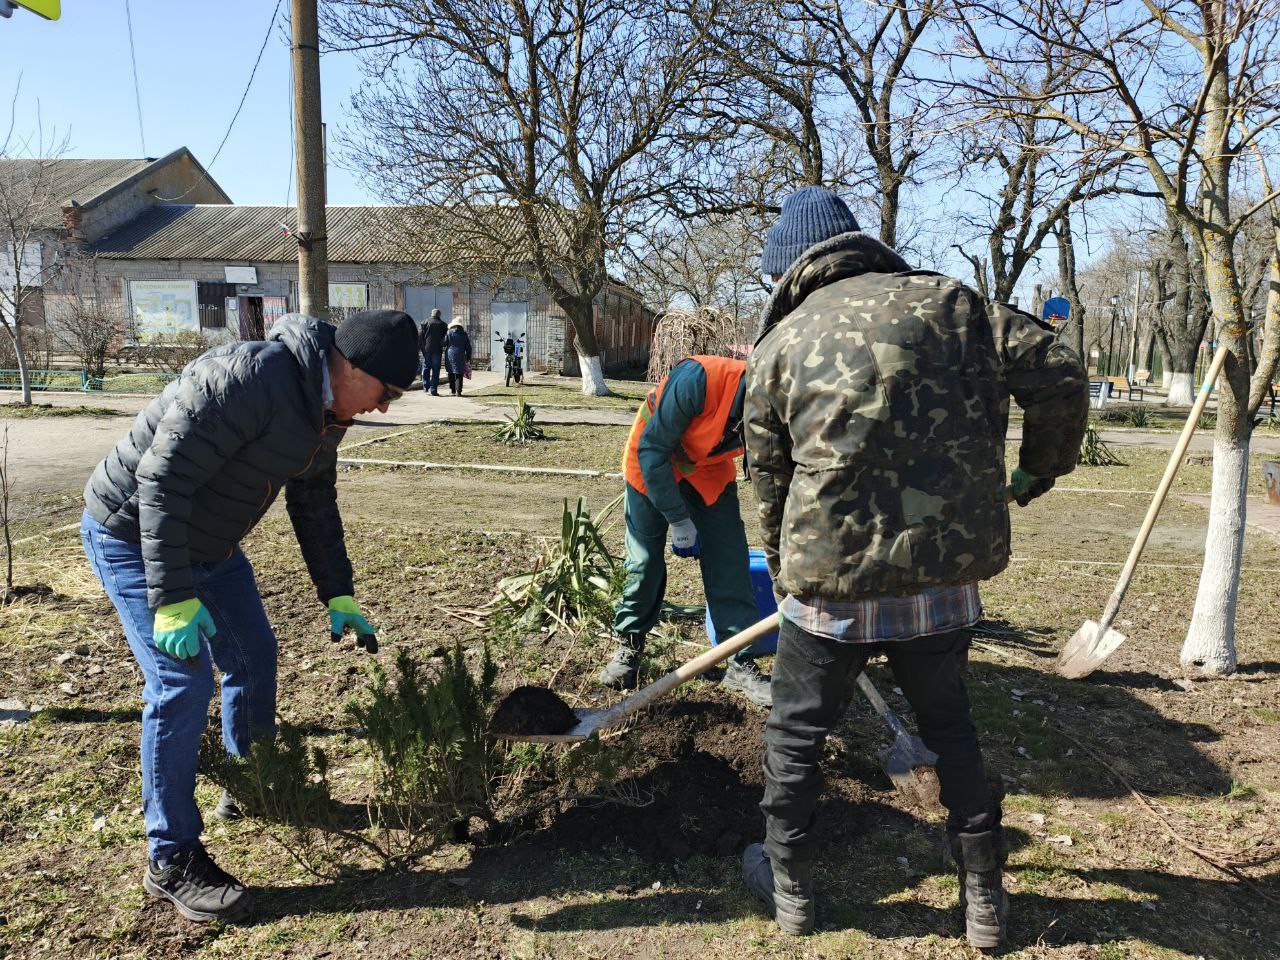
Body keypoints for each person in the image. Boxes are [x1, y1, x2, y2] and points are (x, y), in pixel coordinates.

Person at [740, 187, 1088, 947]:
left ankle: (790, 886)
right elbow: (1058, 367)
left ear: (790, 270)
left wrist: (785, 563)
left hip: (828, 592)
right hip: (940, 583)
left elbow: (768, 481)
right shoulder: (956, 305)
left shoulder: (782, 342)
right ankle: (985, 897)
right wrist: (1036, 473)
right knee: (949, 729)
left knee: (796, 736)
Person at [80, 309, 420, 924]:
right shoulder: (246, 379)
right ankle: (171, 856)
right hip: (134, 532)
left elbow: (313, 497)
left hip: (211, 544)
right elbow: (160, 481)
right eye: (387, 392)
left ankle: (256, 780)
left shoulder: (329, 411)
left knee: (254, 657)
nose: (386, 408)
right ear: (352, 366)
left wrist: (337, 593)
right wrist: (171, 597)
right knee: (182, 683)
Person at [598, 355, 773, 708]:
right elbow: (653, 451)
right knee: (644, 562)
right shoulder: (698, 379)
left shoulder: (774, 409)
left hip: (706, 469)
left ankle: (739, 662)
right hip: (651, 458)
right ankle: (629, 646)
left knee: (730, 559)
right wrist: (678, 519)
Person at [418, 307, 448, 395]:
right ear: (439, 315)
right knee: (436, 369)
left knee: (426, 367)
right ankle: (433, 389)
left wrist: (422, 347)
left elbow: (420, 336)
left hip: (426, 349)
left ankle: (426, 386)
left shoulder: (424, 322)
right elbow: (445, 339)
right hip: (437, 350)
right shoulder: (443, 324)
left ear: (431, 314)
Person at [443, 318, 472, 396]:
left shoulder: (449, 333)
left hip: (450, 354)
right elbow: (468, 347)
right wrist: (468, 357)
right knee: (459, 373)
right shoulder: (464, 334)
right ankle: (458, 391)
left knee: (451, 372)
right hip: (461, 354)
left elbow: (444, 343)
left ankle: (452, 390)